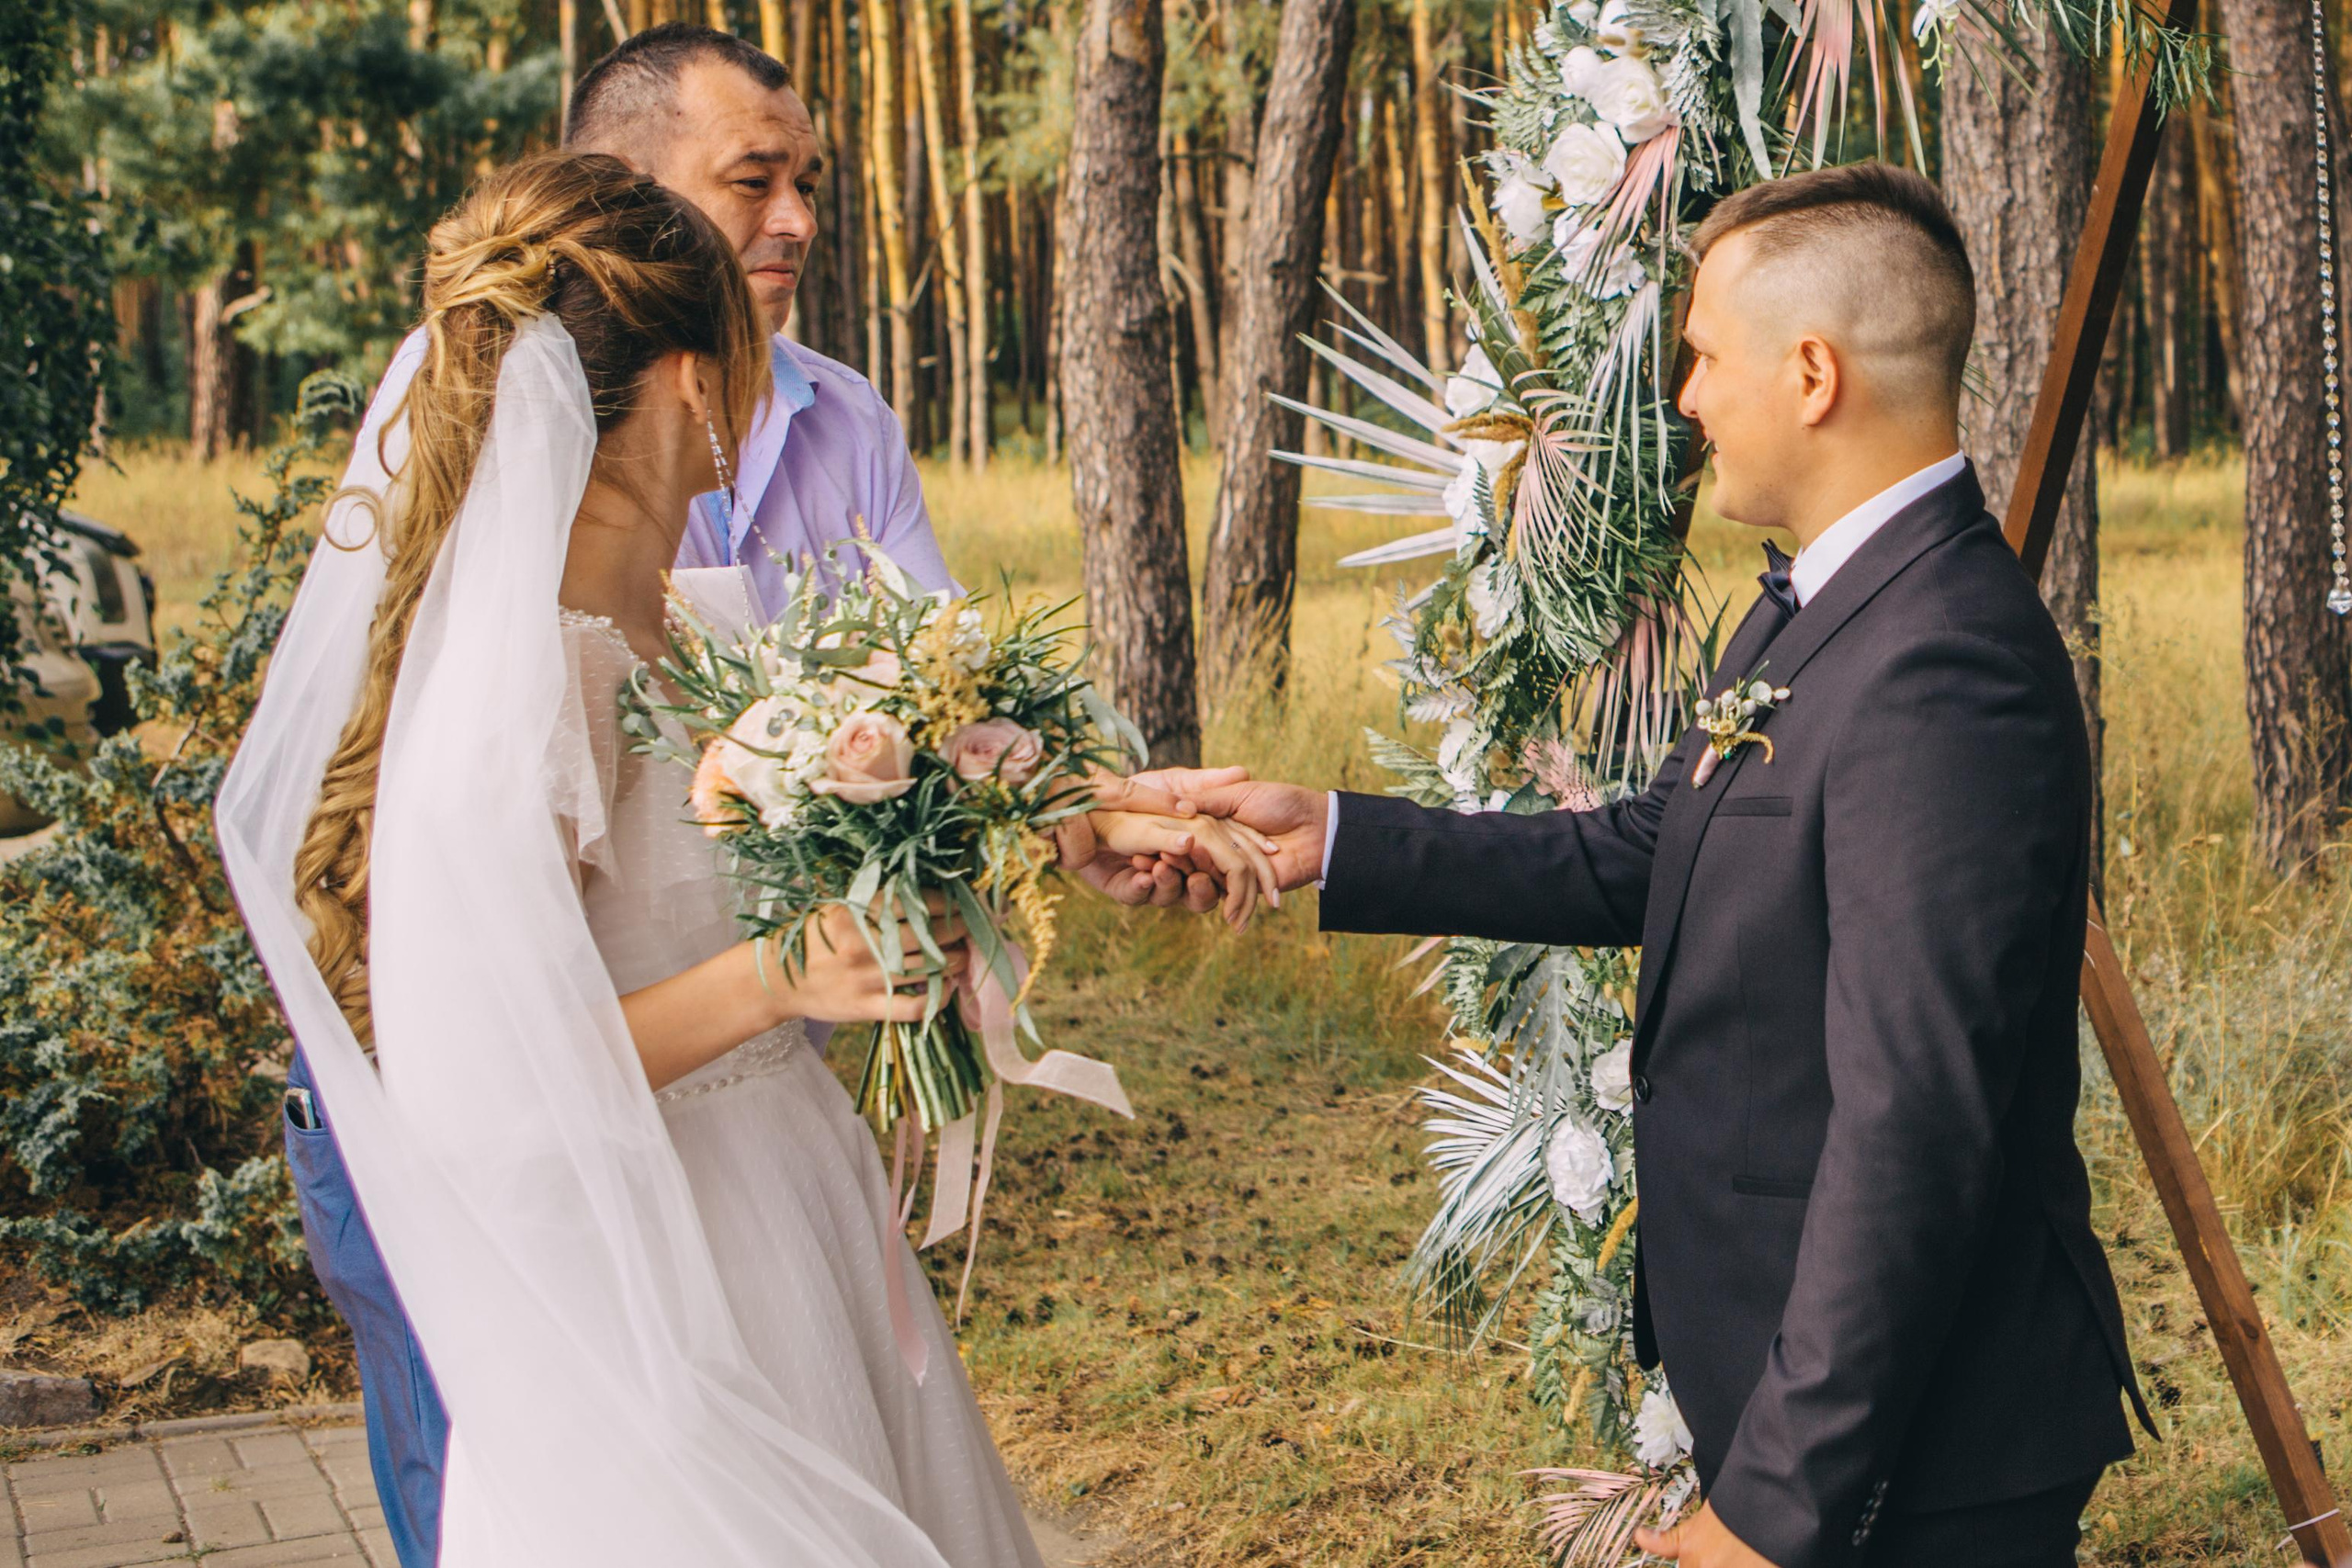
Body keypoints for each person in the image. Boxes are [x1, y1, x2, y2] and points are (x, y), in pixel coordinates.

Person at [226, 152, 1258, 1567]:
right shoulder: (528, 691)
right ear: (694, 387)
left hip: (796, 1204)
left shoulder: (703, 634)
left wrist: (1087, 814)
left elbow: (905, 765)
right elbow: (479, 1077)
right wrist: (778, 981)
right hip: (663, 1266)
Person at [1164, 165, 2149, 1568]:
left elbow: (1915, 1121)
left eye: (1699, 354)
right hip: (1800, 1394)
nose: (1683, 397)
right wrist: (1333, 835)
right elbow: (1659, 853)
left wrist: (1774, 1504)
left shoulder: (1943, 663)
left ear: (1812, 374)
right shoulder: (1813, 609)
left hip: (1910, 1464)